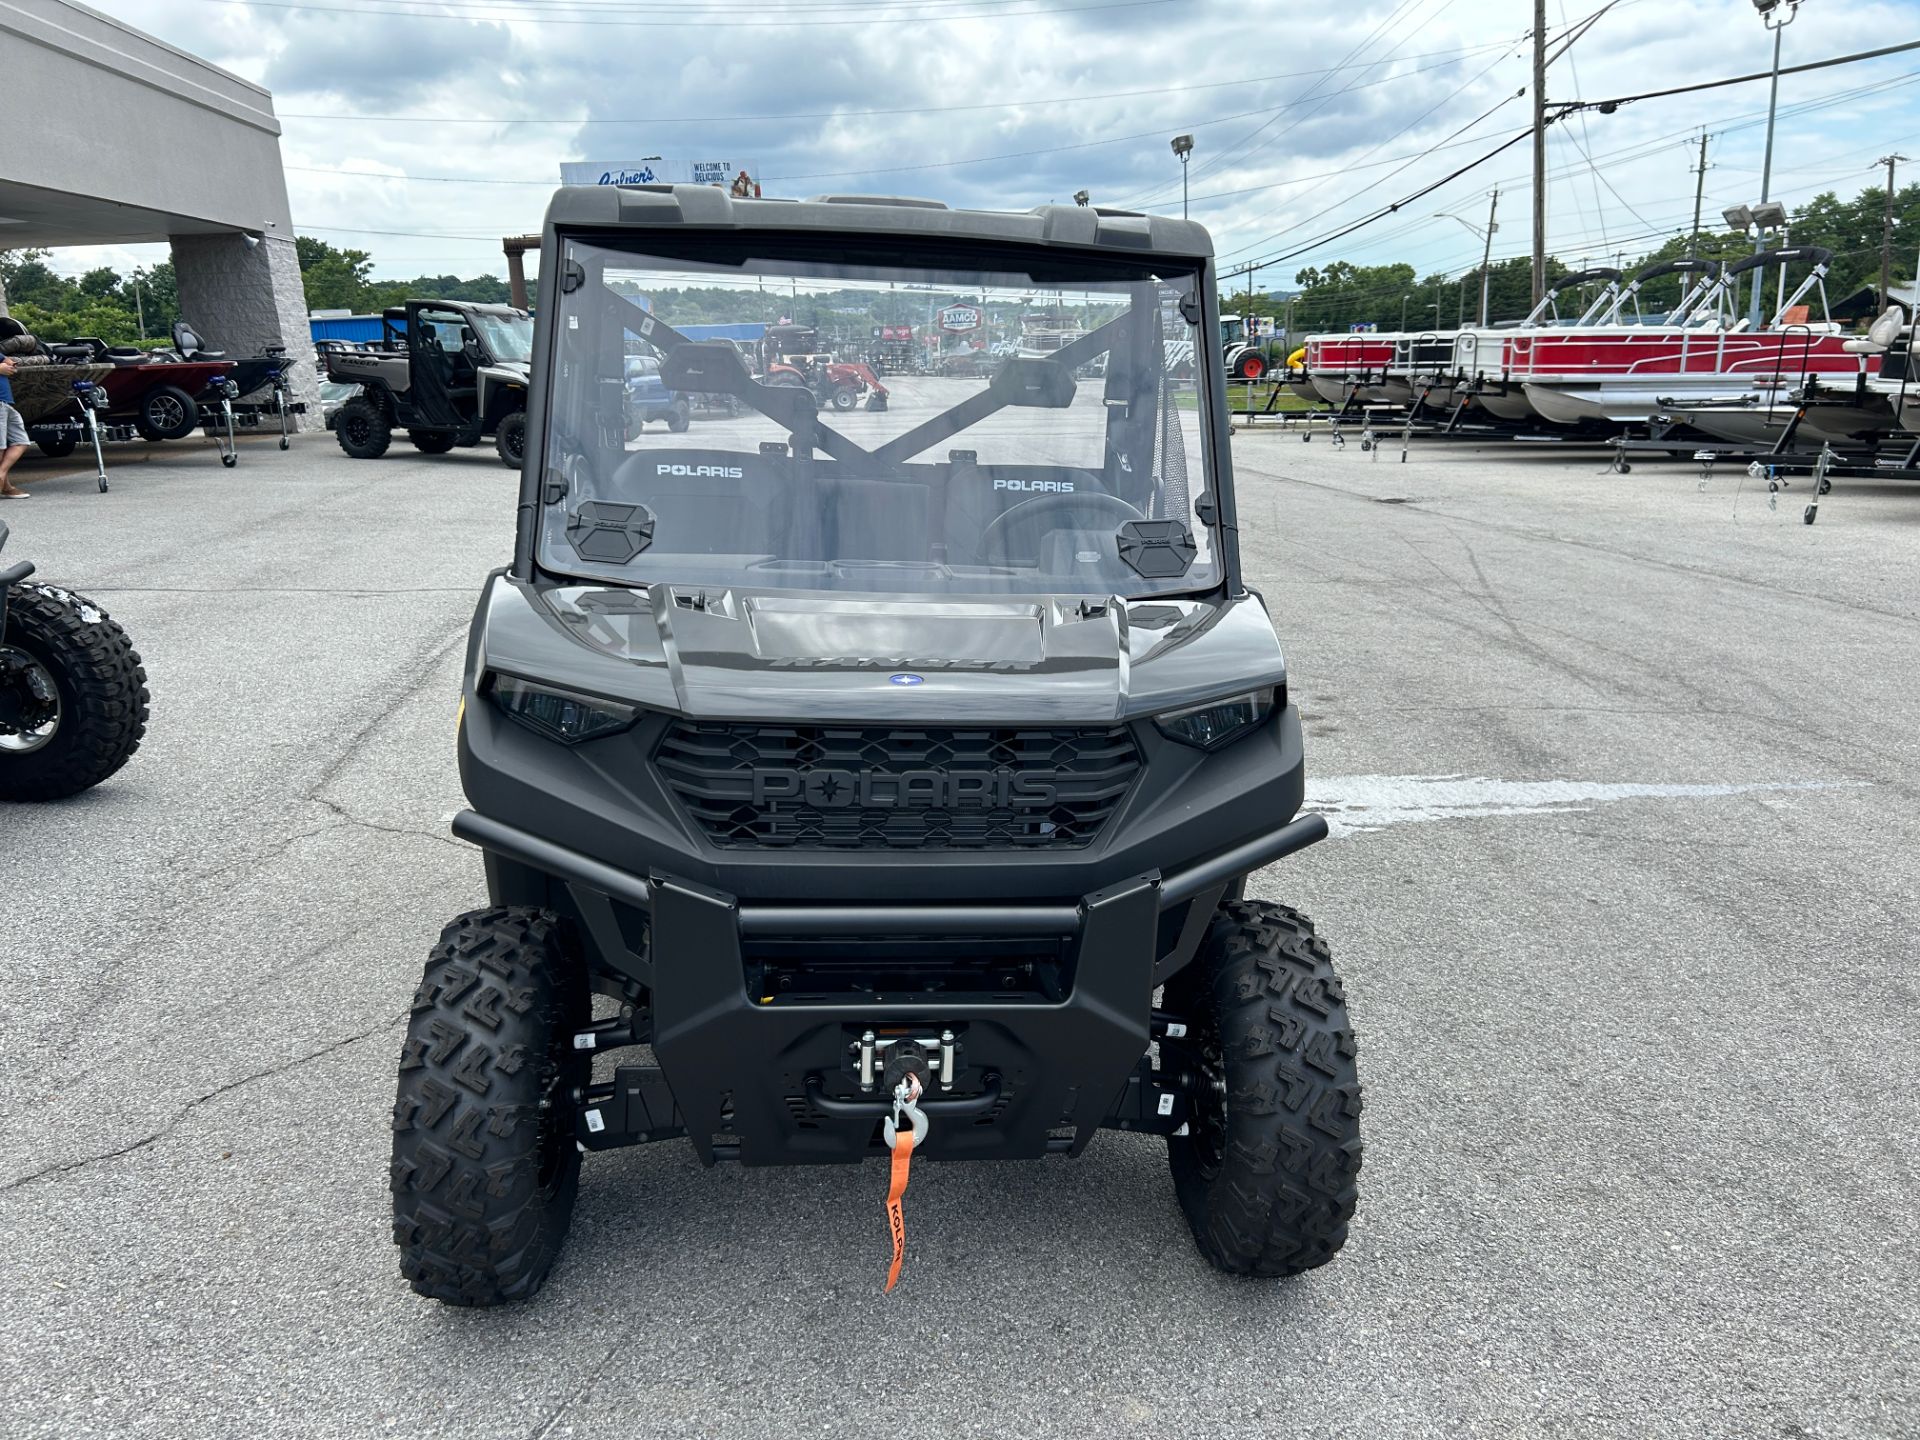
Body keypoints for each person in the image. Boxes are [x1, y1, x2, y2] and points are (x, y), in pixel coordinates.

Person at [0, 355, 29, 499]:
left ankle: (2, 477)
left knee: (21, 441)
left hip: (5, 403)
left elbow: (4, 359)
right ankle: (6, 487)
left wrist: (8, 362)